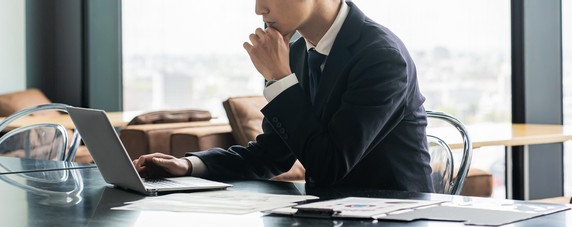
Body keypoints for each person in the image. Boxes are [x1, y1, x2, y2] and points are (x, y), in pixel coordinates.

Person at [134, 0, 433, 195]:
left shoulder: (381, 57)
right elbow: (272, 154)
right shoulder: (297, 51)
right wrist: (188, 167)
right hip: (326, 218)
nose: (258, 8)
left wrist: (280, 79)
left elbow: (328, 167)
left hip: (393, 223)